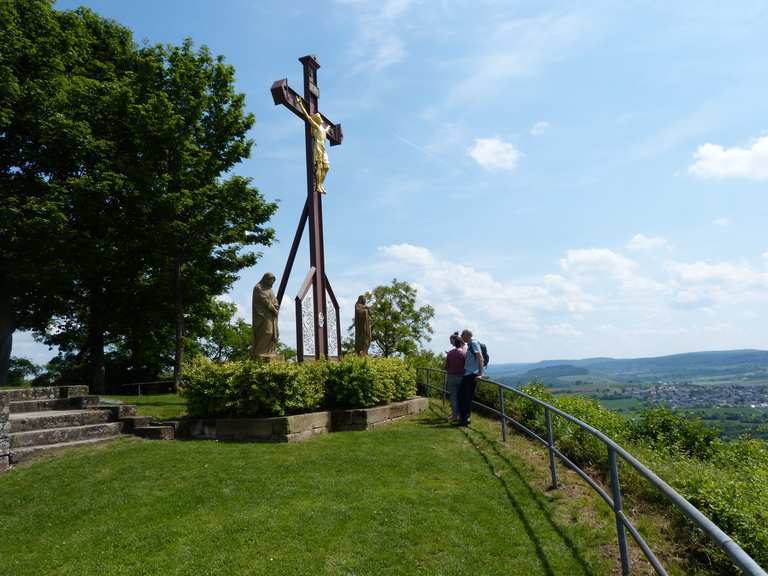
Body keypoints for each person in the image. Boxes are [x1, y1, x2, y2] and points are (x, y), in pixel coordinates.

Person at [458, 329, 485, 427]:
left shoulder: (473, 343)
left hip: (471, 374)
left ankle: (465, 419)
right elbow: (461, 338)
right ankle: (465, 418)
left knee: (464, 397)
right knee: (464, 397)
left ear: (467, 336)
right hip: (469, 374)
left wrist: (481, 374)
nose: (461, 336)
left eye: (463, 335)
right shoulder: (470, 343)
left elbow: (480, 358)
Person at [251, 273, 280, 357]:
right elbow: (265, 300)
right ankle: (259, 352)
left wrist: (275, 307)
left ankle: (270, 352)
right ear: (266, 279)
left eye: (273, 281)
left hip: (271, 315)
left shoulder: (270, 290)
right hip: (262, 315)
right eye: (271, 280)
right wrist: (274, 309)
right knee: (268, 332)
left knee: (274, 334)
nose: (272, 283)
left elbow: (274, 301)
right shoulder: (258, 288)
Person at [444, 332, 466, 422]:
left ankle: (454, 415)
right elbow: (466, 366)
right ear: (461, 343)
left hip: (451, 377)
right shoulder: (464, 353)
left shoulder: (450, 353)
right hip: (462, 377)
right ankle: (461, 416)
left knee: (453, 397)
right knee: (461, 397)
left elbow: (446, 366)